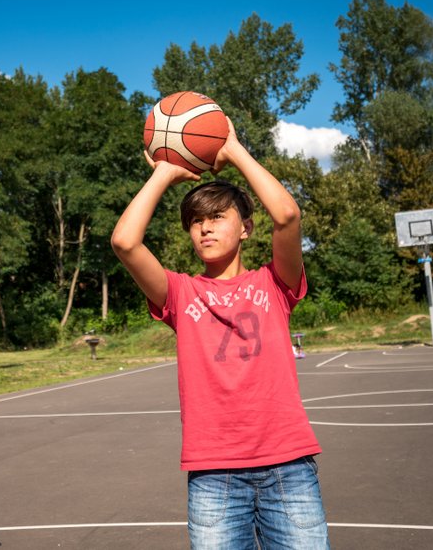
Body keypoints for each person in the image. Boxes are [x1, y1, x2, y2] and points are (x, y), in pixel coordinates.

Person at [111, 118, 328, 548]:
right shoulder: (180, 293)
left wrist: (232, 150)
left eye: (216, 217)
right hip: (213, 473)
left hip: (288, 465)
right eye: (195, 222)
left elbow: (286, 215)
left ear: (245, 228)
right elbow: (125, 242)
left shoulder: (274, 283)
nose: (205, 227)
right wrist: (164, 172)